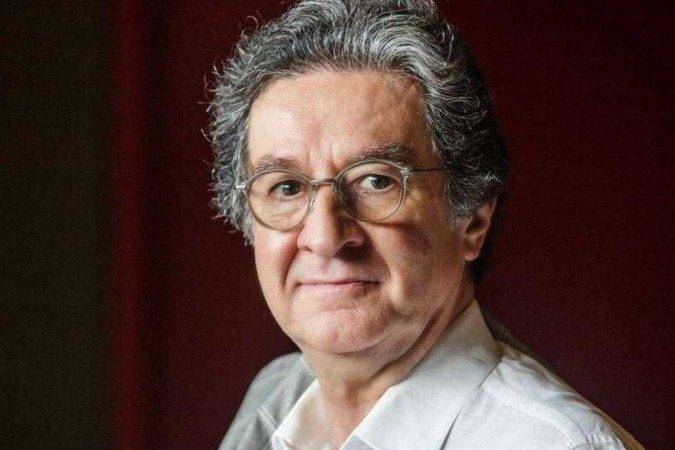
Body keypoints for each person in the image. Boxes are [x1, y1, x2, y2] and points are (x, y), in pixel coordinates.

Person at [209, 1, 642, 448]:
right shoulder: (274, 397)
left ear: (473, 219)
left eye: (376, 180)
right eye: (286, 187)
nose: (324, 237)